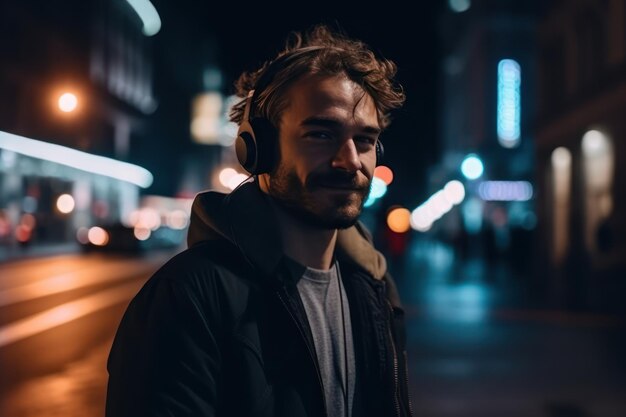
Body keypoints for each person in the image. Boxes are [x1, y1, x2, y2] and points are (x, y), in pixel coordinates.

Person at [106, 24, 412, 417]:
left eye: (365, 141)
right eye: (321, 134)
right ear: (257, 149)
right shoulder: (188, 295)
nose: (350, 160)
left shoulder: (375, 288)